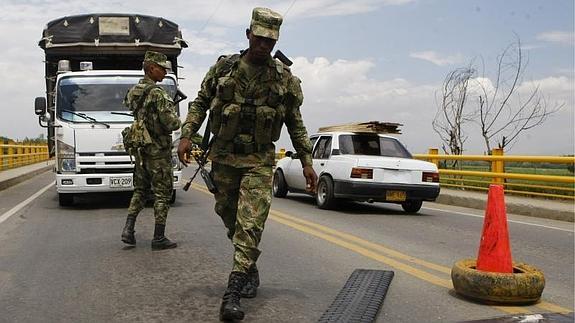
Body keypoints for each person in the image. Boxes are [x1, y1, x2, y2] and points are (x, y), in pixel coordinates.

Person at [177, 7, 318, 321]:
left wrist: (307, 162)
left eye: (270, 40)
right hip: (224, 158)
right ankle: (249, 266)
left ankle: (233, 291)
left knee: (250, 224)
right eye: (259, 38)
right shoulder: (223, 69)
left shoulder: (283, 79)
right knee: (230, 218)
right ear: (248, 34)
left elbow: (295, 122)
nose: (264, 45)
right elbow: (200, 102)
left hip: (258, 161)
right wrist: (187, 134)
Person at [121, 51, 181, 250]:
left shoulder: (134, 91)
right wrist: (179, 119)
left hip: (141, 150)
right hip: (158, 150)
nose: (164, 71)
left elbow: (134, 110)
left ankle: (128, 229)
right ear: (150, 68)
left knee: (140, 190)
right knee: (162, 194)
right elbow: (170, 123)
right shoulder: (157, 92)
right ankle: (158, 237)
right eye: (161, 67)